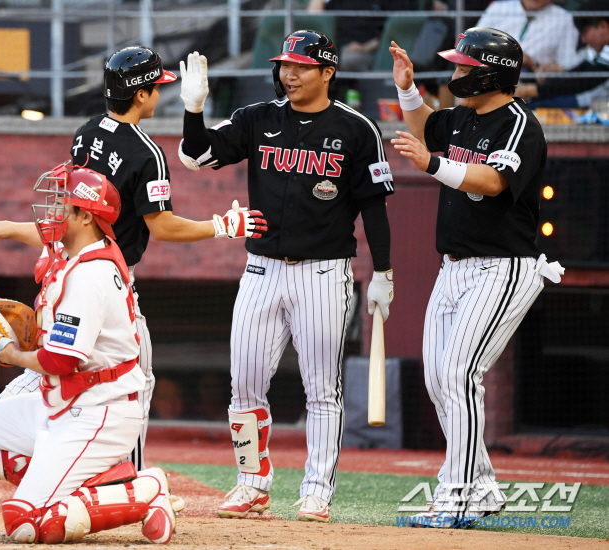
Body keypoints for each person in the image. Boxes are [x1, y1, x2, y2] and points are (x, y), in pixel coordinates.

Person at [0, 46, 267, 511]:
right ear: (141, 95)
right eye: (155, 87)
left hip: (64, 268)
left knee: (61, 362)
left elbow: (67, 218)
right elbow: (162, 227)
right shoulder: (147, 152)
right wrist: (221, 226)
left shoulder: (84, 134)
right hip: (110, 277)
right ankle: (127, 484)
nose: (158, 93)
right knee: (128, 381)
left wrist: (2, 228)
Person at [177, 30, 395, 522]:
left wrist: (382, 271)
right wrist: (193, 110)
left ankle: (316, 490)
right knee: (245, 383)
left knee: (322, 390)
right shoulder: (259, 118)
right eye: (284, 66)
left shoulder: (357, 129)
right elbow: (199, 156)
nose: (288, 74)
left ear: (327, 72)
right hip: (261, 269)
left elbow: (374, 209)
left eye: (300, 66)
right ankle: (251, 483)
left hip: (324, 272)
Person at [0, 165, 179, 544]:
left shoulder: (90, 275)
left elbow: (58, 361)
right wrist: (1, 228)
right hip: (61, 402)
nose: (51, 214)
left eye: (62, 206)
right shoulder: (73, 252)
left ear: (85, 215)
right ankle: (80, 488)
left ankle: (145, 489)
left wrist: (11, 353)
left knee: (26, 524)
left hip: (99, 411)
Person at [389, 27, 564, 527]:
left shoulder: (519, 124)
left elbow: (492, 181)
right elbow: (425, 130)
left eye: (465, 66)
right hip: (455, 266)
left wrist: (433, 164)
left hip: (504, 265)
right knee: (438, 380)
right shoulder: (464, 116)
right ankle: (482, 487)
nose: (457, 72)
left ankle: (458, 495)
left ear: (492, 72)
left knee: (460, 375)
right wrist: (408, 89)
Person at [516, 0, 609, 108]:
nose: (584, 40)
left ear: (603, 27)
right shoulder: (601, 52)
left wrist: (529, 91)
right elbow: (581, 73)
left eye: (585, 33)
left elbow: (584, 81)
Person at [476, 0, 582, 72]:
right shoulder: (497, 9)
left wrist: (534, 65)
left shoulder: (564, 19)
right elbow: (472, 47)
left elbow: (567, 66)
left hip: (534, 90)